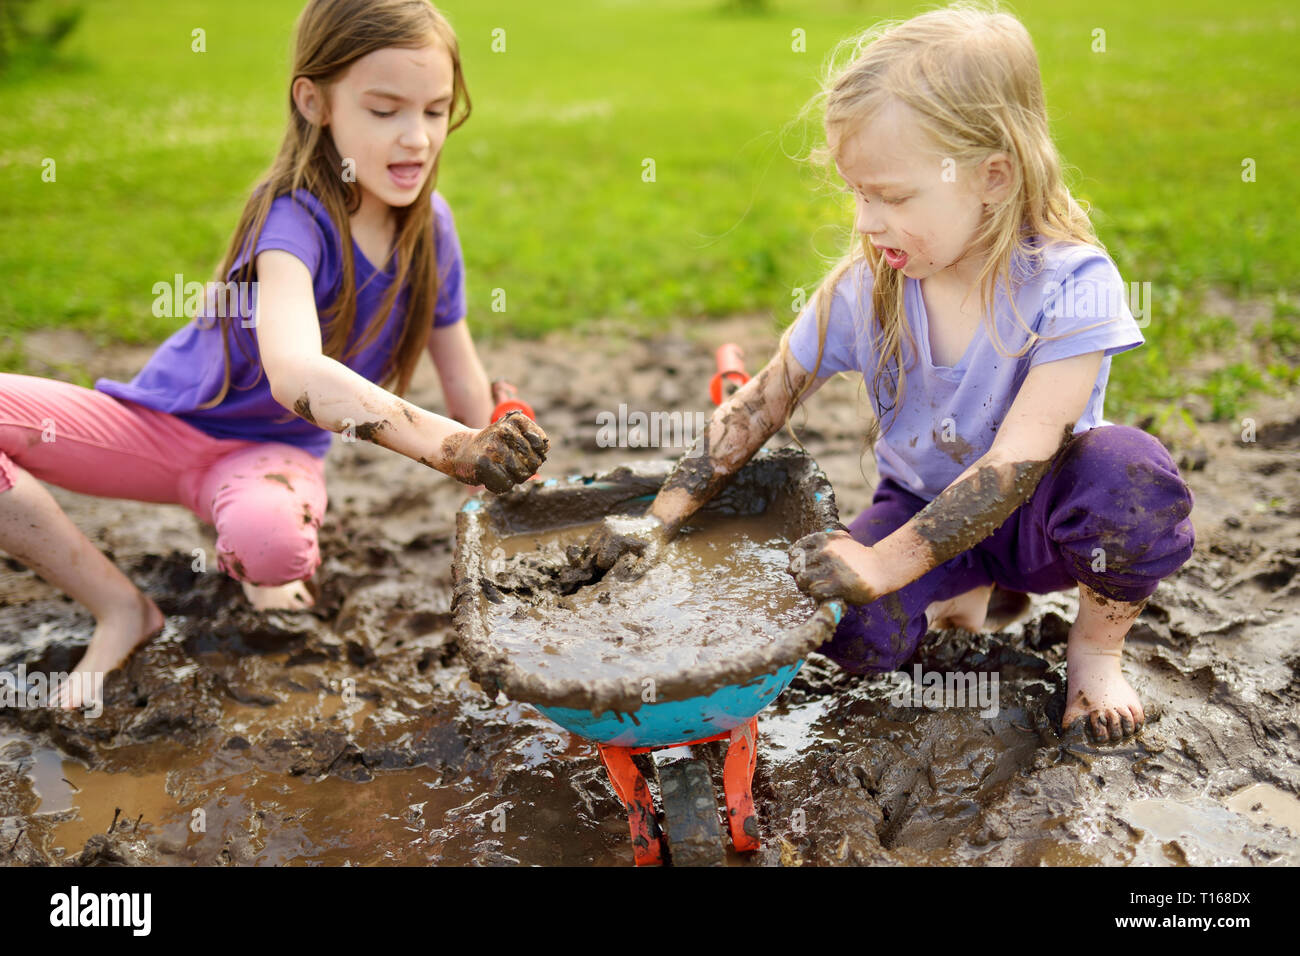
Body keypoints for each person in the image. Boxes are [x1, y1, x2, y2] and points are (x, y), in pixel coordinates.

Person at [574, 3, 1194, 744]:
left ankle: (1094, 651)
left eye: (892, 196)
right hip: (921, 503)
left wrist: (881, 562)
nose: (866, 221)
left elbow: (1016, 462)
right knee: (853, 633)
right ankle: (964, 590)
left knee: (1131, 479)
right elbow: (761, 403)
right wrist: (660, 516)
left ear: (993, 175)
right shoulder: (864, 289)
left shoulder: (1071, 283)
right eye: (857, 193)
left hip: (1046, 522)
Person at [0, 0, 547, 704]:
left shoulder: (431, 232)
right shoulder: (291, 215)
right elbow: (294, 374)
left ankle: (242, 529)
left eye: (436, 111)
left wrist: (505, 485)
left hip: (272, 458)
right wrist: (453, 447)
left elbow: (464, 376)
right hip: (161, 430)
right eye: (384, 111)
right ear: (314, 101)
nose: (416, 138)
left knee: (270, 545)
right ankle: (121, 607)